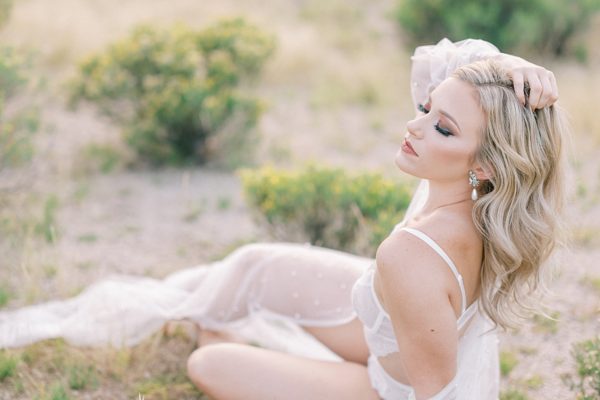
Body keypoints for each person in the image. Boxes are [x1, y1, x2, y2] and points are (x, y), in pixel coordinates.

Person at [0, 39, 565, 400]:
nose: (415, 126)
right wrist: (512, 69)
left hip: (387, 385)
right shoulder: (477, 202)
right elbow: (446, 73)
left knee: (210, 360)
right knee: (250, 267)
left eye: (443, 128)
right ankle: (246, 325)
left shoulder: (414, 253)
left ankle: (262, 347)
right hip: (397, 332)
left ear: (487, 164)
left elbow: (434, 392)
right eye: (425, 111)